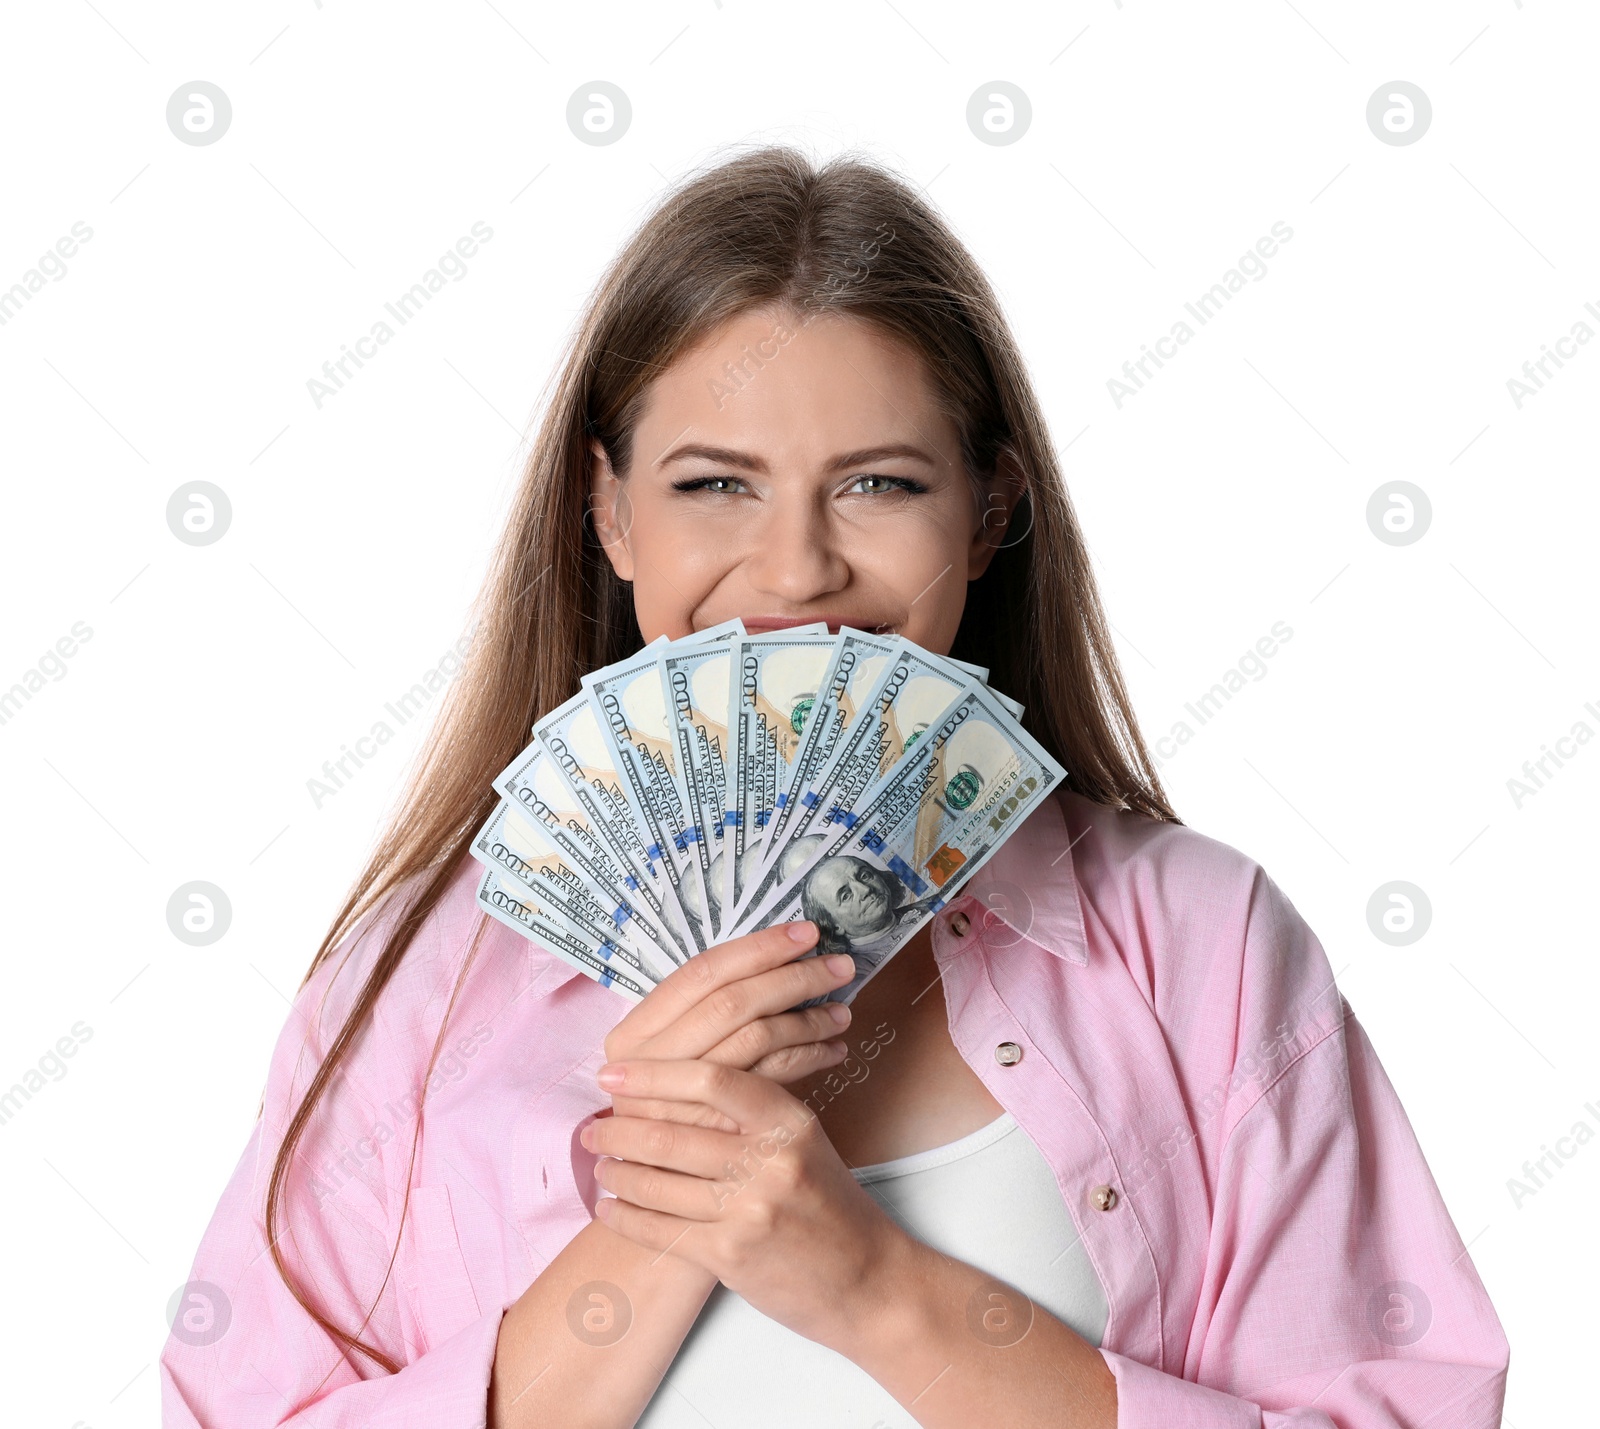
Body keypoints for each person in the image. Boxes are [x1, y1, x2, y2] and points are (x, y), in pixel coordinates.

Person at [161, 146, 1509, 1427]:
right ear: (610, 512)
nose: (797, 572)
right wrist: (655, 1225)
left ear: (988, 510)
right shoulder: (422, 979)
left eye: (877, 481)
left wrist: (870, 1283)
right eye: (713, 485)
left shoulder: (1203, 944)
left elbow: (1410, 1400)